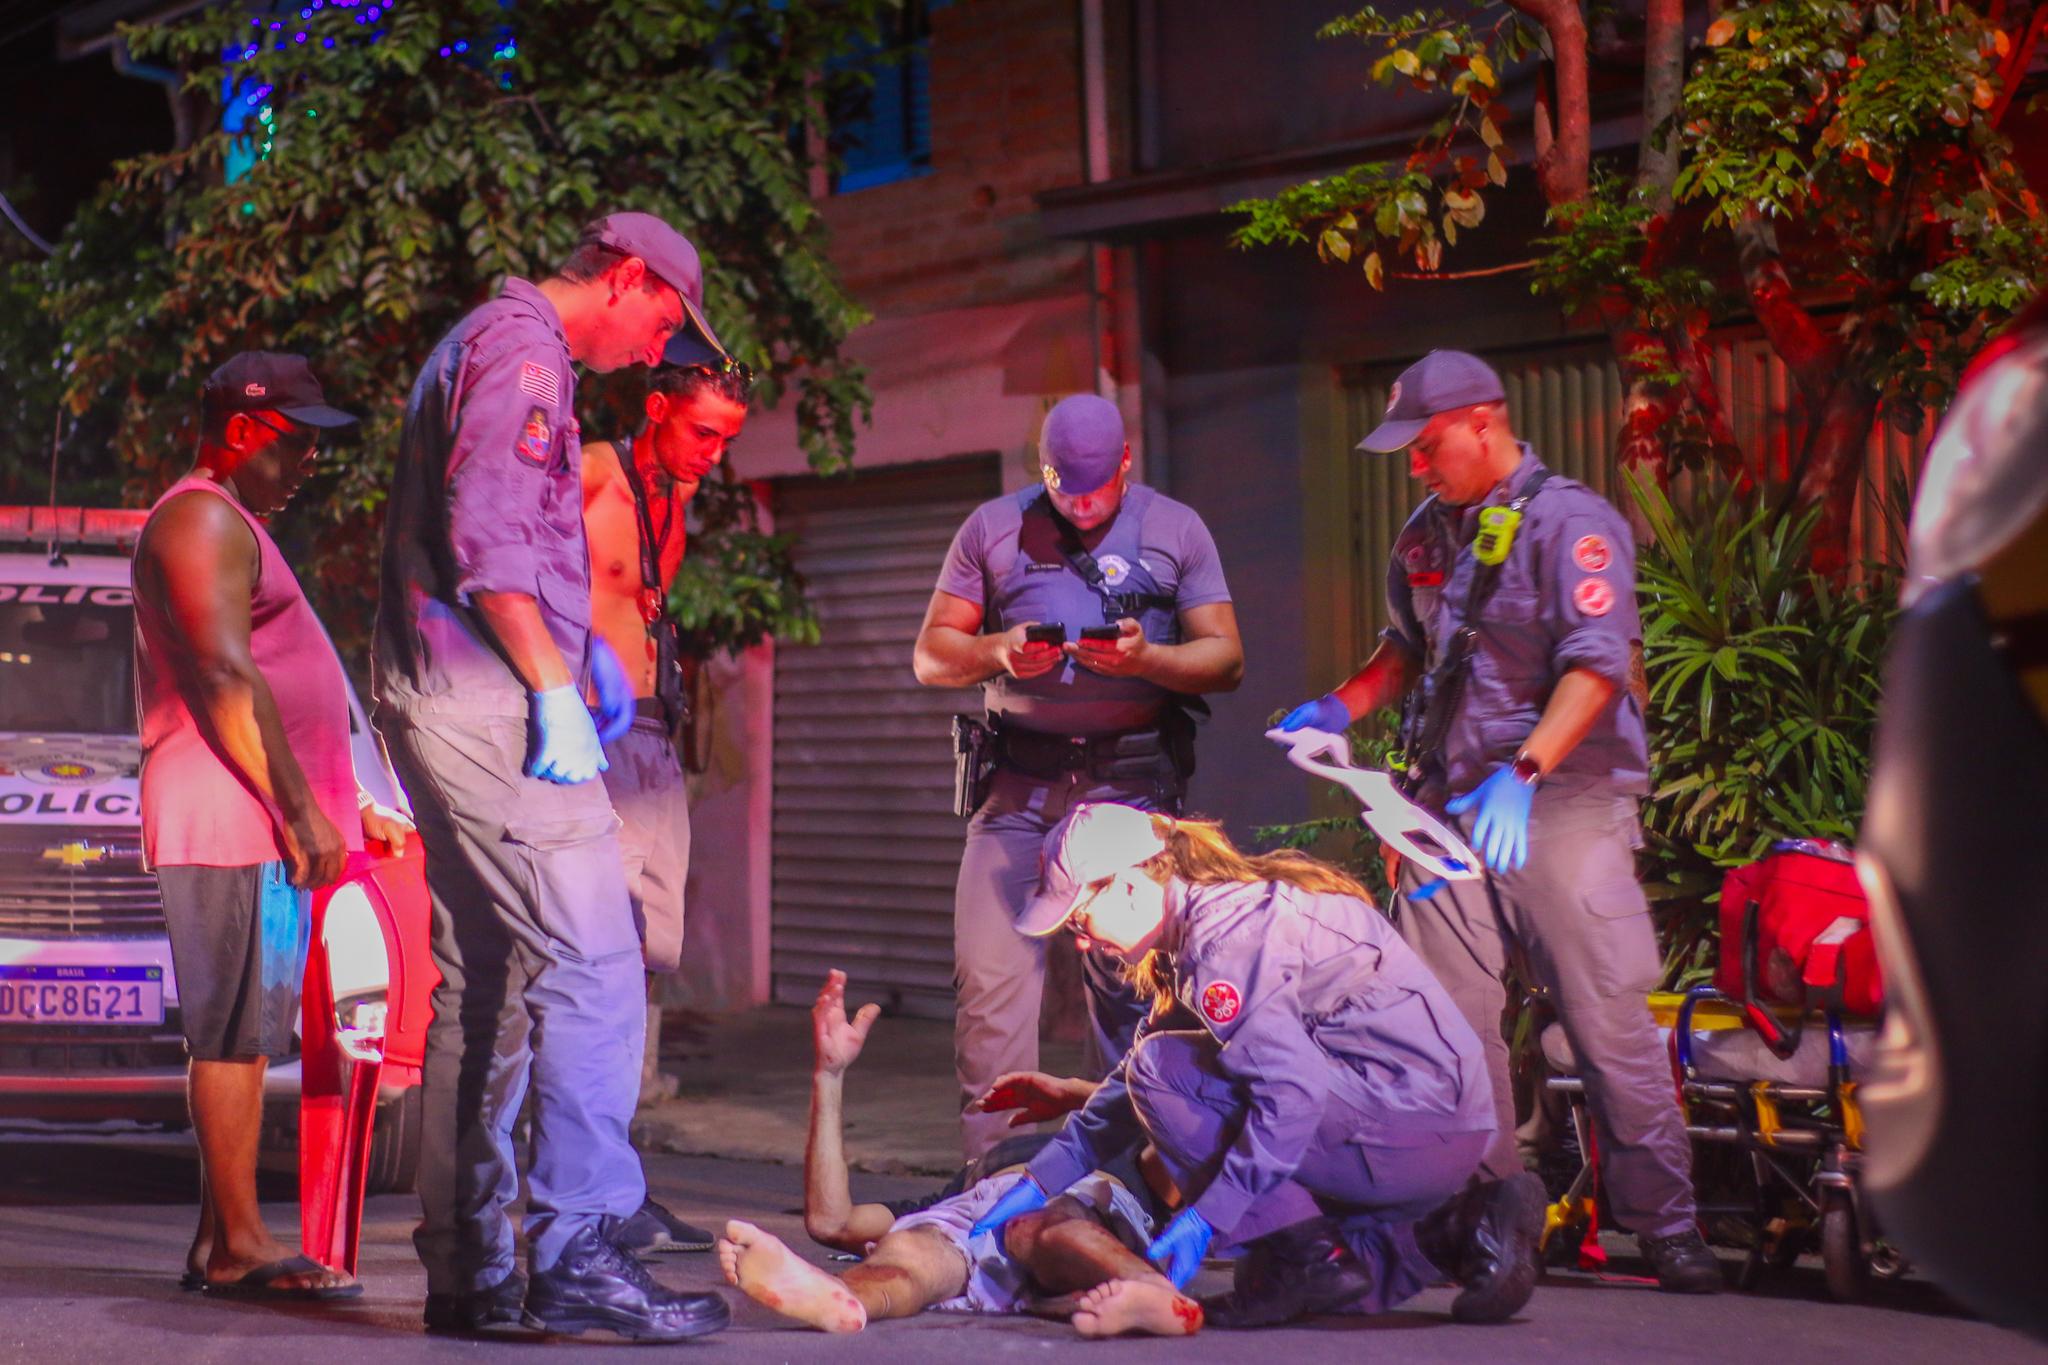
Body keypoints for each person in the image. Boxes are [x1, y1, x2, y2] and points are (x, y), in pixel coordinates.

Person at [1276, 349, 1720, 1293]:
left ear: (1484, 423)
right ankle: (1487, 1217)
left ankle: (1669, 1227)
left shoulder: (1573, 525)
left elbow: (1598, 667)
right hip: (1447, 813)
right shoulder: (1423, 536)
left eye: (1428, 445)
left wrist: (1524, 771)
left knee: (1608, 1021)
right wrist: (1337, 707)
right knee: (1444, 1028)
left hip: (1560, 807)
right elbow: (1405, 649)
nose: (1417, 465)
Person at [372, 213, 731, 1341]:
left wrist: (577, 666)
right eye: (662, 320)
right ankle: (579, 1246)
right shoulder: (524, 350)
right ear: (627, 279)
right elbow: (489, 539)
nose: (655, 348)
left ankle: (473, 1269)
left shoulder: (473, 342)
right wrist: (553, 685)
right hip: (488, 697)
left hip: (439, 689)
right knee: (595, 963)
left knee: (487, 980)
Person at [975, 802, 1548, 1329]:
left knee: (1168, 1076)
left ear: (1127, 886)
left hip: (1411, 1122)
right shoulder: (1205, 922)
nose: (1079, 942)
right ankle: (1466, 1229)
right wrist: (1040, 1178)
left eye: (1079, 919)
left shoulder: (1225, 943)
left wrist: (1215, 1212)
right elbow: (1127, 1086)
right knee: (1318, 1276)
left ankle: (1306, 1256)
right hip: (1422, 1121)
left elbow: (1287, 1095)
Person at [132, 351, 408, 1301]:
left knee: (245, 1031)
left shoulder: (231, 520)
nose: (308, 466)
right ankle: (242, 1244)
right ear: (246, 430)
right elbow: (221, 676)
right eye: (296, 445)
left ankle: (221, 1242)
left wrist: (344, 799)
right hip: (227, 812)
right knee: (230, 1034)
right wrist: (297, 810)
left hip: (251, 813)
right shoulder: (200, 517)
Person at [912, 393, 1243, 1160]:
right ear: (1042, 468)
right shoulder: (992, 529)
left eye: (1095, 490)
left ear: (1126, 463)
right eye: (1063, 487)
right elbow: (931, 654)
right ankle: (989, 1190)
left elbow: (1225, 657)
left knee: (1137, 1003)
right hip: (1016, 794)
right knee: (990, 997)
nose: (1081, 504)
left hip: (1128, 800)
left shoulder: (1175, 528)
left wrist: (1146, 659)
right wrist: (997, 651)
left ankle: (1138, 1183)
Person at [714, 969, 1201, 1338]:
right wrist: (829, 1074)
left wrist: (1080, 1094)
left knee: (1033, 1226)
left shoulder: (1129, 1150)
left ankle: (1163, 1299)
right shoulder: (974, 1174)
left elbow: (1185, 1125)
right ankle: (842, 1299)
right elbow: (831, 1223)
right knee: (909, 1253)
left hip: (1078, 1215)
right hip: (977, 1210)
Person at [580, 342, 752, 1256]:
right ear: (655, 408)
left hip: (650, 738)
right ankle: (585, 1192)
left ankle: (616, 1183)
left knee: (644, 961)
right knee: (593, 966)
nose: (711, 454)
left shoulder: (673, 499)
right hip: (594, 740)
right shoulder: (591, 473)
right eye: (702, 432)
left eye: (726, 439)